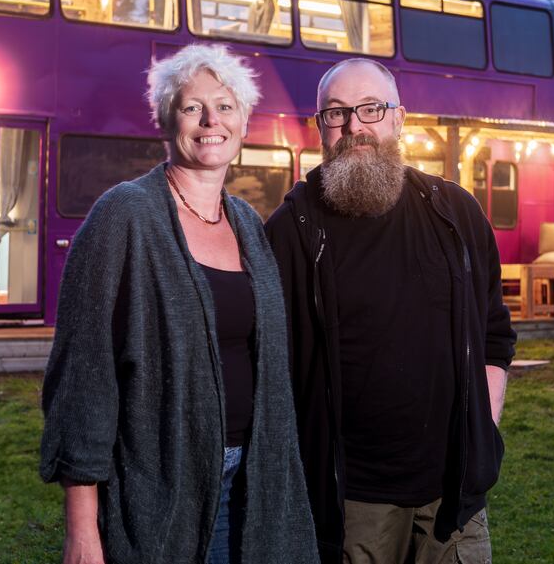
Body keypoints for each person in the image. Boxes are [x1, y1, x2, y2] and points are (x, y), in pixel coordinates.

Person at [40, 44, 317, 564]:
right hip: (163, 490)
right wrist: (82, 529)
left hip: (257, 485)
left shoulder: (248, 224)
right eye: (193, 107)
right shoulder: (124, 215)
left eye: (226, 106)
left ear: (243, 122)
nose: (211, 119)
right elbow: (84, 374)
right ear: (167, 120)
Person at [265, 58, 516, 564]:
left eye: (371, 109)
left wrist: (482, 432)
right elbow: (270, 370)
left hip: (454, 496)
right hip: (350, 501)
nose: (355, 127)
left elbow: (493, 335)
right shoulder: (290, 230)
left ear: (399, 119)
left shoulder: (456, 212)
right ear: (319, 128)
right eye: (336, 113)